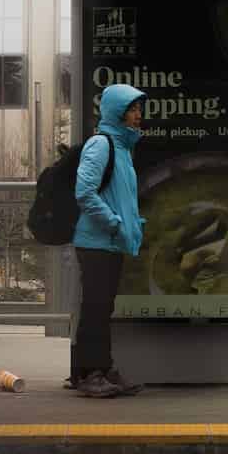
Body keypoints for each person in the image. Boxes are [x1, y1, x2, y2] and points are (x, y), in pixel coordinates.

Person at [70, 82, 147, 398]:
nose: (138, 115)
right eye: (132, 109)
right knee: (96, 309)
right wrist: (115, 224)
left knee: (101, 309)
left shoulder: (123, 147)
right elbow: (84, 193)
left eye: (139, 109)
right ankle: (92, 374)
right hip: (97, 242)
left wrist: (131, 224)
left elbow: (121, 197)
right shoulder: (102, 145)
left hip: (110, 242)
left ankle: (101, 368)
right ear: (118, 112)